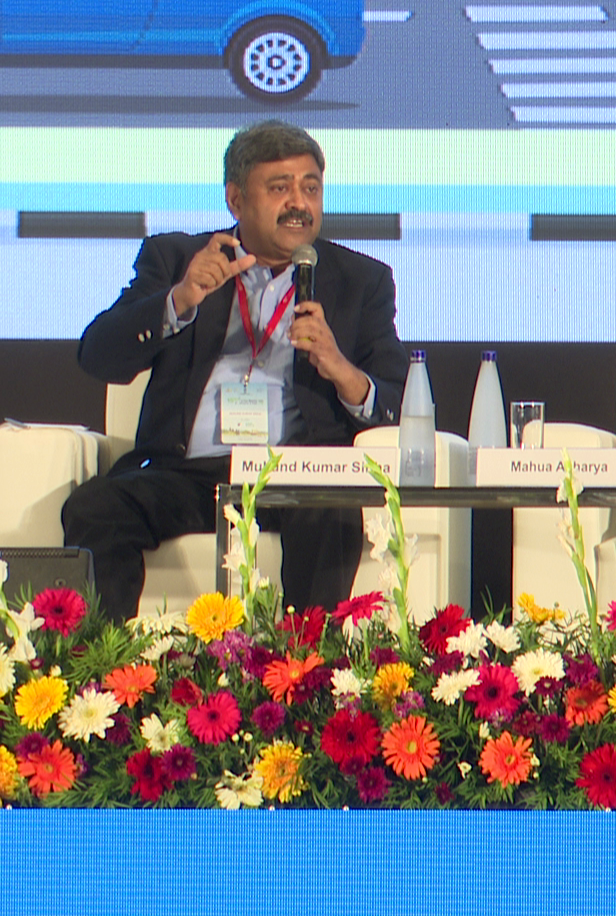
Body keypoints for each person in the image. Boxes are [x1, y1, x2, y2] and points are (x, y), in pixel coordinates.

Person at [62, 121, 409, 619]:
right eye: (280, 188)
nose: (299, 203)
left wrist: (339, 367)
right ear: (236, 199)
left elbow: (395, 401)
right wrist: (178, 300)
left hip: (295, 474)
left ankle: (307, 660)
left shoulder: (360, 280)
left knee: (332, 508)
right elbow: (97, 356)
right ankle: (106, 661)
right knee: (96, 506)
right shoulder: (178, 259)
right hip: (188, 474)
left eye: (311, 188)